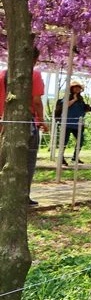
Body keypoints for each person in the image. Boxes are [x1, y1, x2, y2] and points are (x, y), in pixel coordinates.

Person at [0, 47, 49, 206]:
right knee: (28, 160)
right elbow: (36, 101)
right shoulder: (34, 74)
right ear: (34, 59)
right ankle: (23, 196)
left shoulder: (2, 74)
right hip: (27, 123)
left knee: (4, 159)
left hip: (4, 121)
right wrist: (41, 120)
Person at [54, 80, 91, 165]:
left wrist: (90, 109)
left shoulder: (81, 99)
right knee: (64, 141)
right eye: (76, 87)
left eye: (79, 88)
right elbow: (65, 105)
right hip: (67, 123)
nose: (77, 89)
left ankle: (75, 157)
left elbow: (81, 109)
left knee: (80, 140)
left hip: (77, 124)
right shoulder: (67, 97)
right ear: (72, 88)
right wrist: (74, 99)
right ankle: (61, 158)